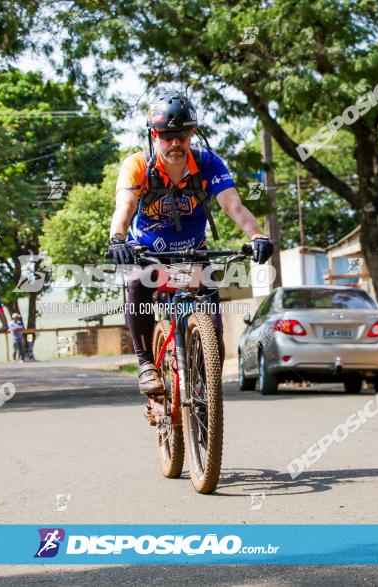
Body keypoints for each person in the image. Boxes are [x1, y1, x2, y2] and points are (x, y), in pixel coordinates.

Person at [107, 92, 274, 422]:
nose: (174, 143)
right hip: (149, 253)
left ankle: (202, 389)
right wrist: (117, 239)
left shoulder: (210, 163)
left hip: (193, 254)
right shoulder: (138, 165)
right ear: (155, 136)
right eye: (166, 136)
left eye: (181, 134)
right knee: (138, 286)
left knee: (214, 335)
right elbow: (124, 208)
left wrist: (256, 236)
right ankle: (145, 364)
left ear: (192, 134)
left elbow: (233, 206)